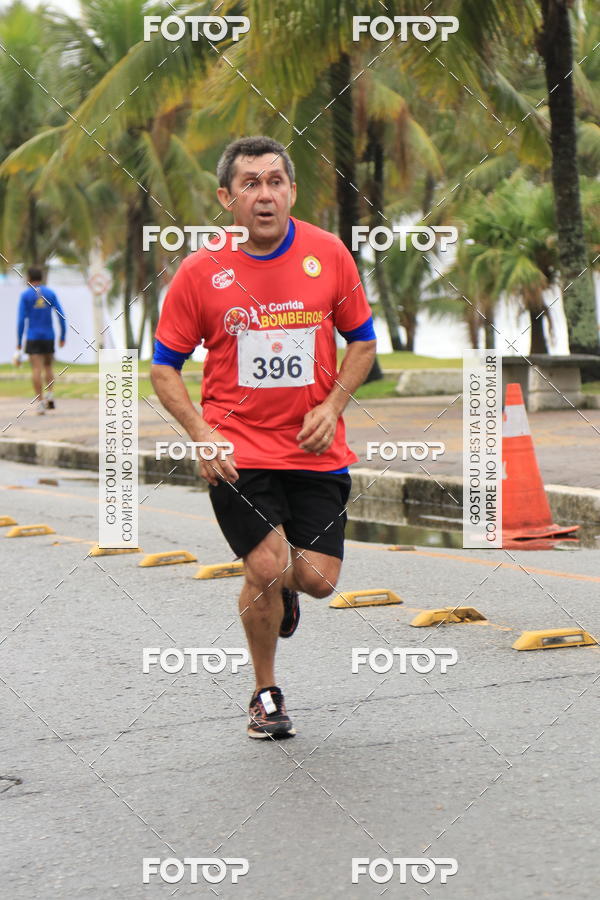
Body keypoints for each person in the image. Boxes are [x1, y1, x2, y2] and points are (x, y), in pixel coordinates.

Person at [151, 136, 376, 740]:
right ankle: (265, 691)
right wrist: (201, 435)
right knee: (268, 564)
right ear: (227, 198)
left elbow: (363, 340)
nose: (265, 194)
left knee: (317, 580)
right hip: (237, 450)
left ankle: (286, 594)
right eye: (250, 184)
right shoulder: (202, 272)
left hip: (314, 449)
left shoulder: (329, 255)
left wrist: (334, 404)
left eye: (275, 181)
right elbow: (163, 367)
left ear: (292, 192)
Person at [16, 266, 66, 414]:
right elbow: (61, 316)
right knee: (48, 367)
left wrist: (19, 341)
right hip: (48, 336)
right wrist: (62, 336)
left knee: (36, 369)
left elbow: (20, 320)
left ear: (29, 278)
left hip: (33, 337)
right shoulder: (50, 293)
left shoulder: (25, 296)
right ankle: (50, 394)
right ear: (41, 278)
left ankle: (41, 403)